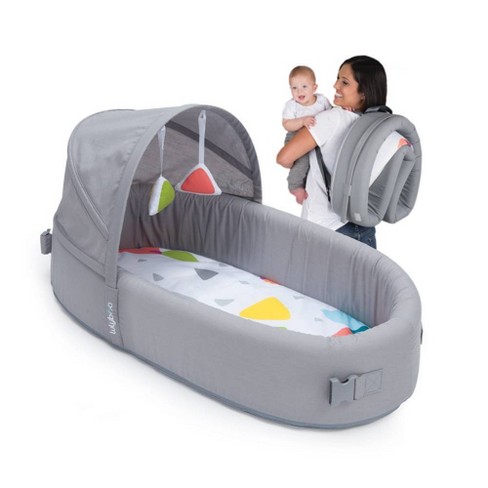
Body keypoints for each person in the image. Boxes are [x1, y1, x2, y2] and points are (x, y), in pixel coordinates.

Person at [276, 55, 388, 249]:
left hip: (327, 229)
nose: (335, 85)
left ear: (363, 92)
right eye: (338, 78)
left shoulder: (332, 117)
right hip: (363, 225)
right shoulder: (374, 123)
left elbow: (284, 158)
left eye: (344, 82)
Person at [282, 66, 332, 204]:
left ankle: (313, 187)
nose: (299, 91)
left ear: (314, 87)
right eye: (294, 88)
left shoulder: (322, 100)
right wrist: (301, 121)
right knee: (302, 161)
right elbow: (286, 124)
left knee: (318, 162)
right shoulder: (292, 105)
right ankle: (295, 186)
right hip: (296, 136)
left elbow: (331, 113)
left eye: (304, 86)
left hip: (317, 138)